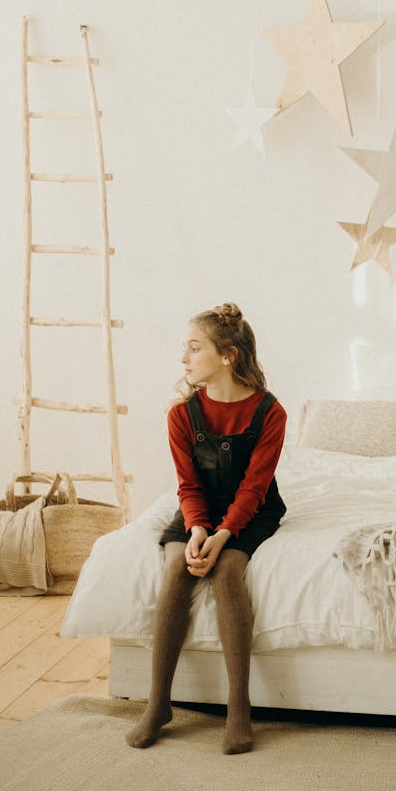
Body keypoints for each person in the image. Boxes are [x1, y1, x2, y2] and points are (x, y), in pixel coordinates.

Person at [126, 302, 286, 754]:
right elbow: (188, 485)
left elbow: (255, 488)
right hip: (201, 508)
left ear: (228, 355)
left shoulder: (270, 412)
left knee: (227, 571)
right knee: (177, 567)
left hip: (252, 510)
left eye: (194, 348)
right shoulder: (182, 414)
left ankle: (239, 709)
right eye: (185, 349)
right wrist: (197, 529)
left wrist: (222, 536)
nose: (185, 358)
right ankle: (158, 704)